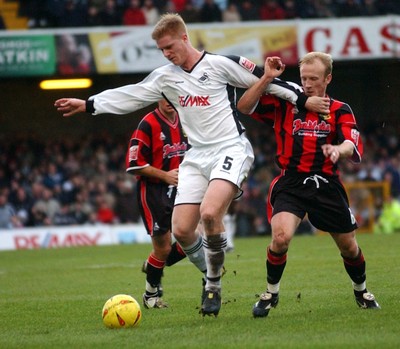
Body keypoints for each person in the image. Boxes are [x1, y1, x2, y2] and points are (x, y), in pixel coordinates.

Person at [54, 13, 327, 317]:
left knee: (210, 213)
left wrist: (303, 101)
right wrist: (89, 104)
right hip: (196, 156)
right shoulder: (164, 77)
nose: (166, 54)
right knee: (182, 230)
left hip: (230, 148)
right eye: (161, 50)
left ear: (184, 38)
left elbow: (269, 82)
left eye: (169, 47)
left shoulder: (220, 64)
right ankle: (212, 272)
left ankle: (212, 285)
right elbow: (130, 95)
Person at [237, 52, 380, 318]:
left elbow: (351, 142)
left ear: (328, 78)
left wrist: (339, 149)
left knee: (349, 247)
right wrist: (267, 77)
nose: (308, 84)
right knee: (280, 239)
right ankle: (271, 292)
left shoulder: (340, 109)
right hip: (291, 181)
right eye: (304, 78)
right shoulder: (286, 103)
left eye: (314, 78)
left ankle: (361, 291)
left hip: (326, 184)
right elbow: (244, 106)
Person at [125, 99, 187, 309]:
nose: (169, 101)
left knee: (193, 236)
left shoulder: (186, 118)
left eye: (173, 96)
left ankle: (153, 266)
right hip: (153, 192)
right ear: (157, 97)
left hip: (182, 189)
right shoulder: (147, 124)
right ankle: (150, 296)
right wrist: (165, 175)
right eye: (164, 96)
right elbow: (134, 165)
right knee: (162, 248)